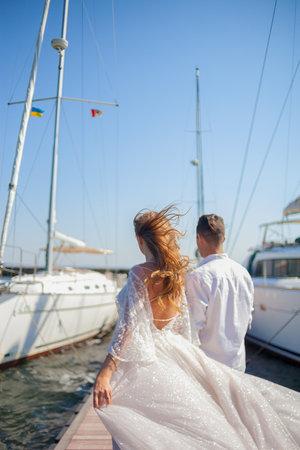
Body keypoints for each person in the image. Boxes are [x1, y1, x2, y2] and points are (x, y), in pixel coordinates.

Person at [94, 205, 300, 450]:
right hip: (182, 352)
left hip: (145, 358)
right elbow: (183, 326)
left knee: (138, 430)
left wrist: (106, 372)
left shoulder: (140, 272)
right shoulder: (179, 275)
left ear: (140, 239)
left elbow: (128, 326)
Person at [186, 214, 254, 371]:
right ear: (223, 239)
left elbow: (192, 330)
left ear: (199, 237)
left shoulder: (197, 277)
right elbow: (247, 321)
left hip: (208, 369)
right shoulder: (244, 273)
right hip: (237, 366)